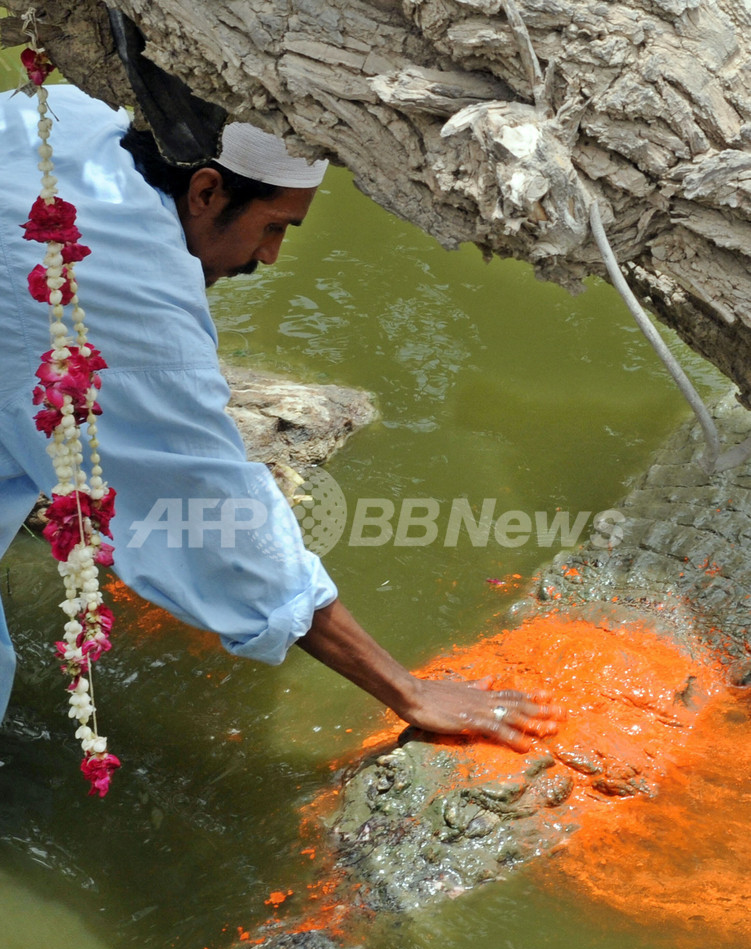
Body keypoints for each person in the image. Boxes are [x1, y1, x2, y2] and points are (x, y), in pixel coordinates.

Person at [0, 83, 560, 751]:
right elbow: (217, 522)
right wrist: (406, 691)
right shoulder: (122, 309)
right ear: (206, 192)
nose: (269, 258)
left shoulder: (63, 117)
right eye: (273, 227)